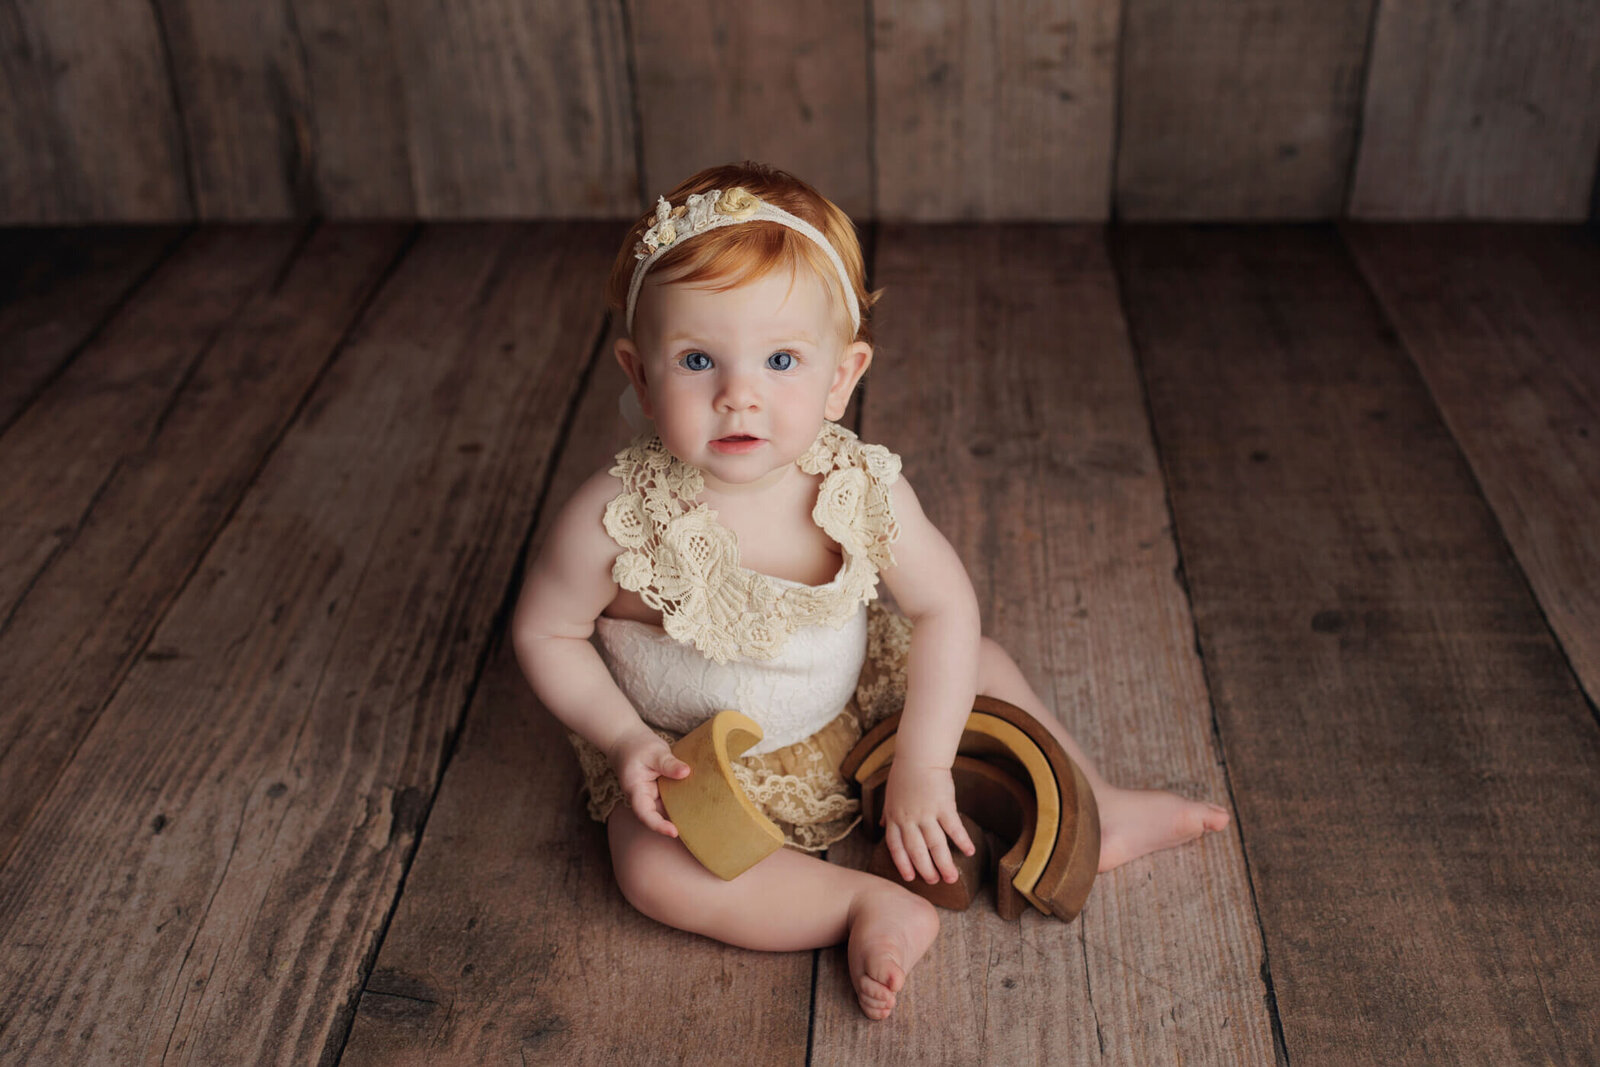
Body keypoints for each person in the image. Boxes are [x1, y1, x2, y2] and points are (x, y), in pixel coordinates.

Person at [513, 161, 1229, 1021]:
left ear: (844, 377)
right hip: (691, 752)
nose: (740, 395)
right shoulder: (617, 516)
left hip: (847, 695)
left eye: (782, 359)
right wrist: (626, 740)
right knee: (647, 863)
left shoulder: (858, 488)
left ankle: (1097, 805)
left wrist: (926, 764)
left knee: (980, 658)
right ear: (638, 374)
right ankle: (857, 904)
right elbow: (545, 632)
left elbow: (944, 607)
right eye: (697, 359)